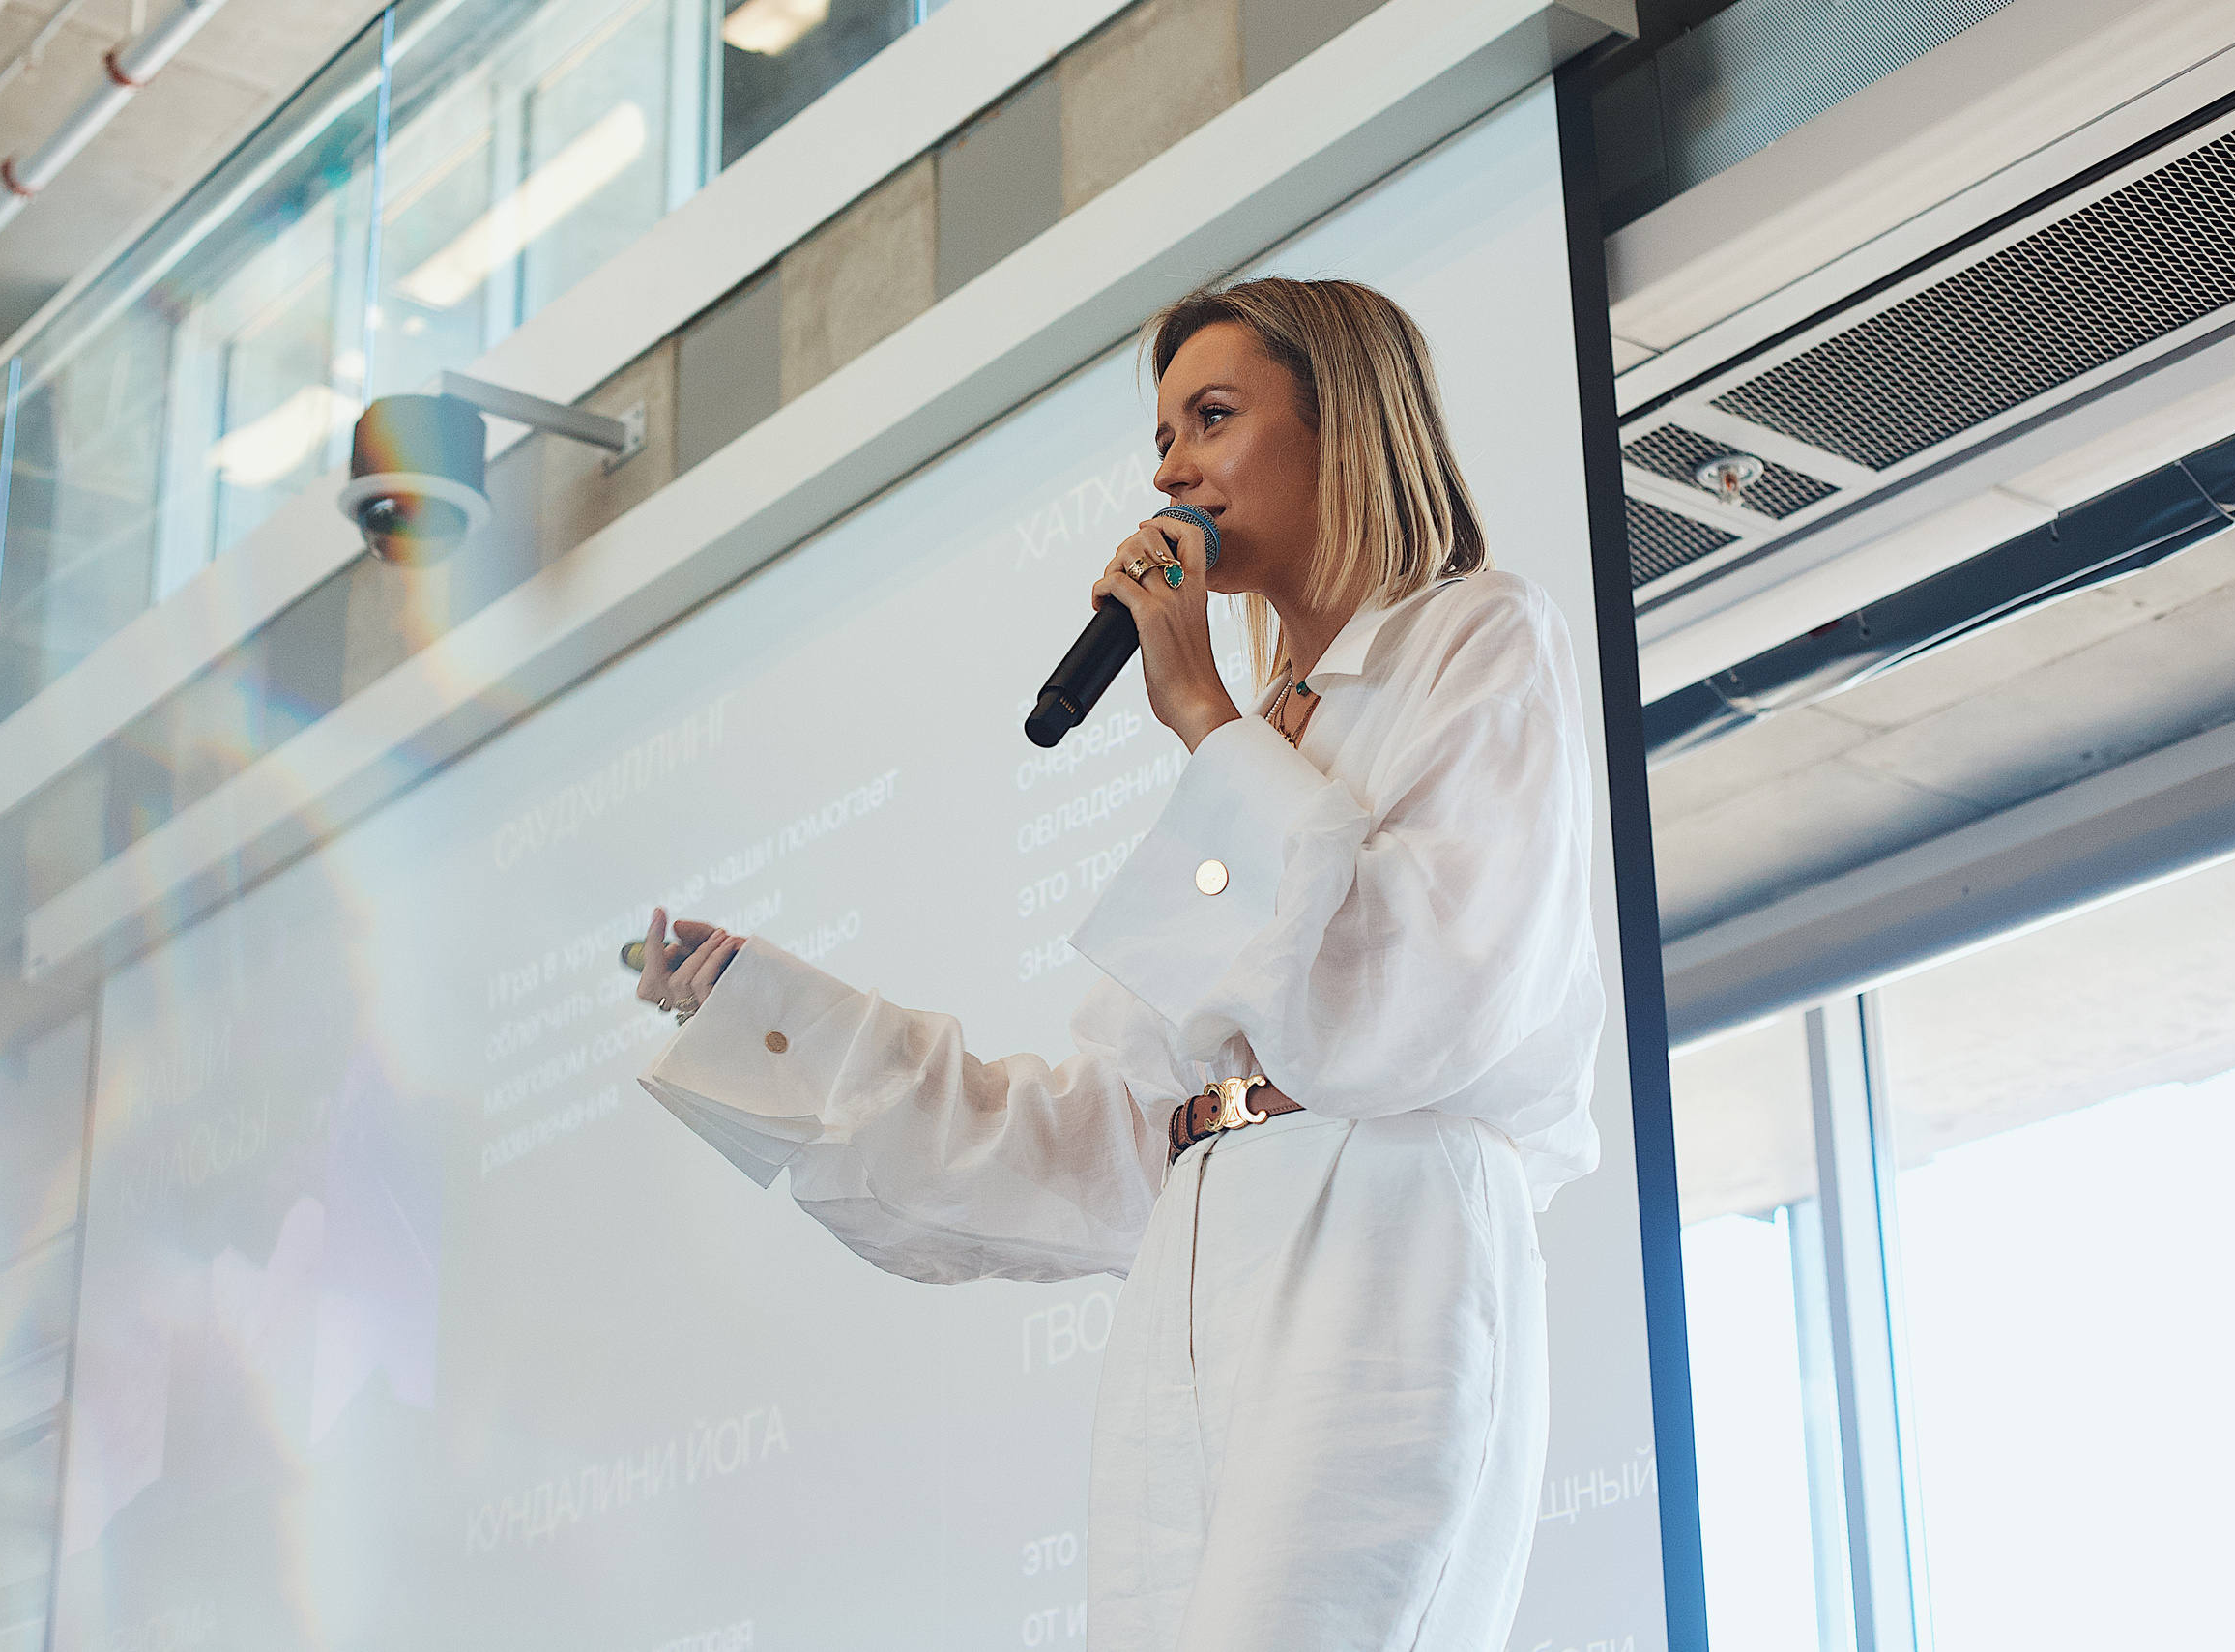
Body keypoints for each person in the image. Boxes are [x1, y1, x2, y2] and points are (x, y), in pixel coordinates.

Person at [633, 276, 1603, 1652]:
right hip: (1197, 1290)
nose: (1169, 467)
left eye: (1212, 414)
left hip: (1383, 1249)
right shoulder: (1256, 746)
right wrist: (770, 1014)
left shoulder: (1477, 637)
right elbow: (1099, 1131)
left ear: (1348, 422)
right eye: (1162, 433)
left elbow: (1414, 998)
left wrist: (1203, 712)